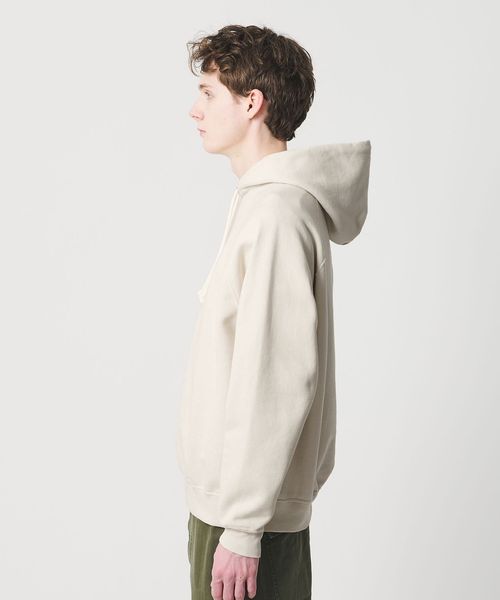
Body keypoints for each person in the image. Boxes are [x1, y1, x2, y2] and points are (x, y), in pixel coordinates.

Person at [176, 24, 372, 600]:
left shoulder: (277, 215)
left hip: (246, 521)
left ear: (252, 103)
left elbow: (277, 377)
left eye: (208, 93)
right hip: (239, 509)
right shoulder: (265, 205)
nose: (195, 110)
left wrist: (242, 527)